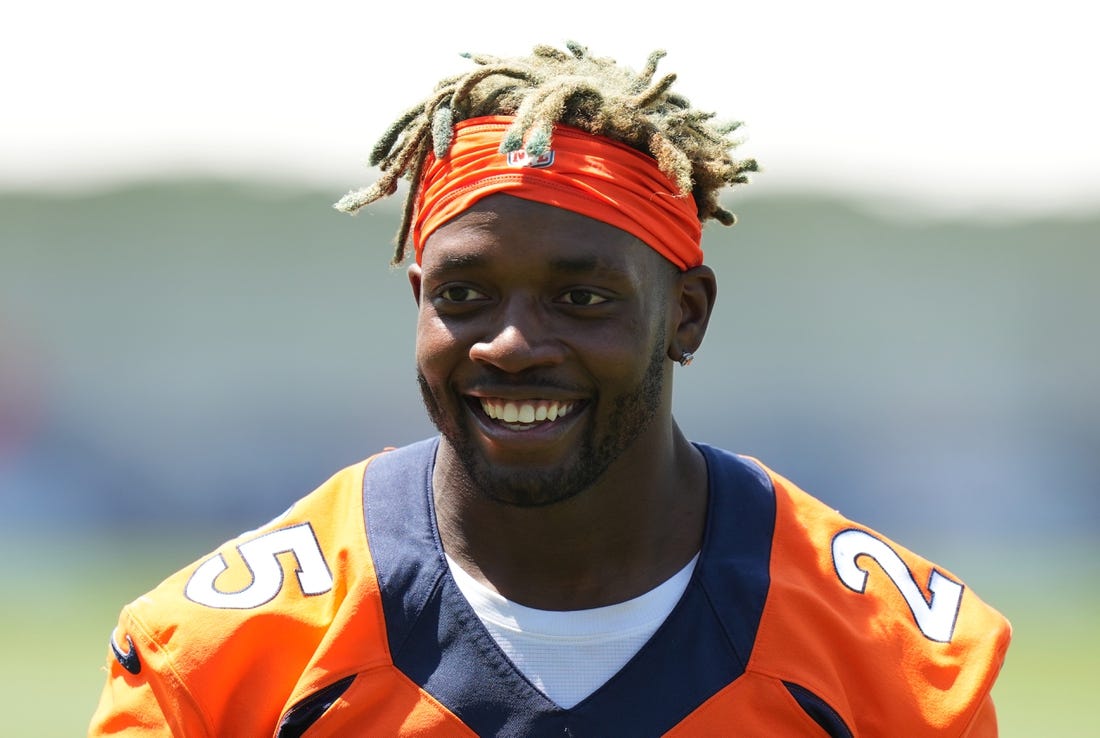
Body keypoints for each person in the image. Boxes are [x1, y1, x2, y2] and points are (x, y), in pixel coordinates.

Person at [89, 42, 1011, 736]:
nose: (513, 344)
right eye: (464, 295)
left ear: (686, 315)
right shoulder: (224, 653)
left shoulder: (897, 658)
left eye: (582, 297)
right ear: (418, 301)